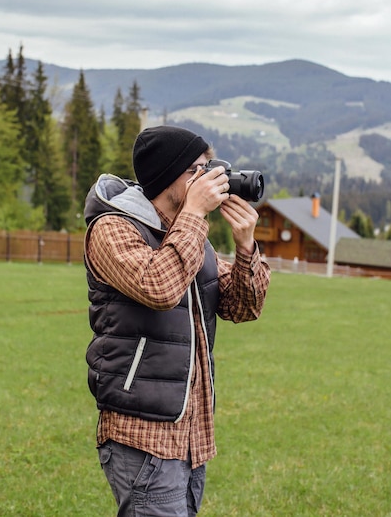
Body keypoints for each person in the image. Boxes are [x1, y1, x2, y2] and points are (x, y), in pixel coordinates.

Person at [84, 124, 271, 517]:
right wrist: (195, 214)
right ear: (169, 175)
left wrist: (246, 246)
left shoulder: (190, 234)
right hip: (143, 432)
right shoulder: (111, 228)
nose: (210, 177)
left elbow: (243, 307)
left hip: (191, 435)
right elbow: (159, 287)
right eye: (198, 169)